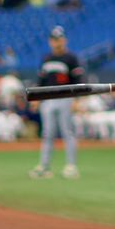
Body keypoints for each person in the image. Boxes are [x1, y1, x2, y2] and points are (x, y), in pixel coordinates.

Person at [29, 26, 83, 179]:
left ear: (64, 40)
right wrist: (36, 99)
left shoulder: (71, 58)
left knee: (68, 133)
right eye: (54, 40)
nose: (56, 43)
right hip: (48, 100)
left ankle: (71, 166)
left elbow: (78, 81)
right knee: (47, 134)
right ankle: (44, 166)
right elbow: (41, 81)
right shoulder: (46, 59)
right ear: (50, 41)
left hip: (66, 98)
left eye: (59, 39)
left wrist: (77, 99)